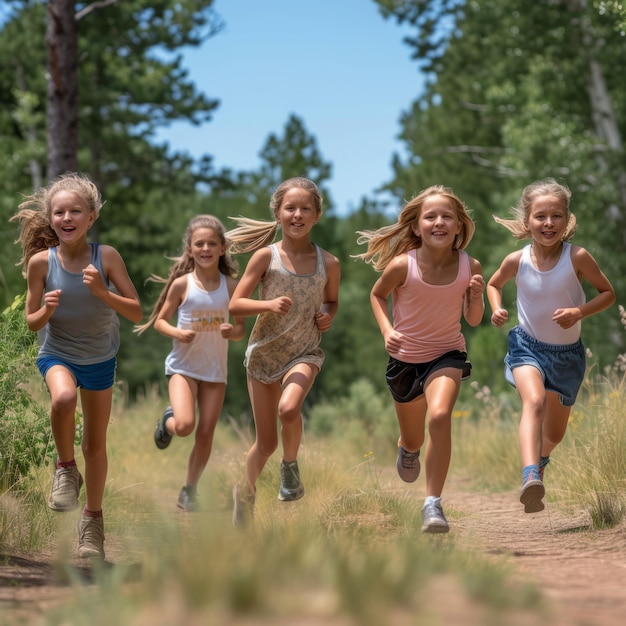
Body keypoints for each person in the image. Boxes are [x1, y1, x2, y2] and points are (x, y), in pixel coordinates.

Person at [10, 173, 142, 559]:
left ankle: (92, 523)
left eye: (75, 211)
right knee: (63, 398)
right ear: (50, 219)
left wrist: (103, 292)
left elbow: (135, 312)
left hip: (100, 357)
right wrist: (46, 310)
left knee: (95, 445)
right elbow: (30, 322)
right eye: (59, 212)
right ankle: (65, 468)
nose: (67, 217)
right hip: (57, 352)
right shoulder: (40, 263)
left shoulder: (108, 257)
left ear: (92, 216)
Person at [355, 185, 484, 533]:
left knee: (440, 416)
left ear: (459, 226)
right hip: (405, 361)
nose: (439, 222)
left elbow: (473, 320)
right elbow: (377, 295)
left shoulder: (469, 265)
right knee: (414, 438)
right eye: (430, 217)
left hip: (447, 355)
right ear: (416, 227)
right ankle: (407, 447)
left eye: (447, 216)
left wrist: (477, 296)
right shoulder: (402, 265)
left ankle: (433, 505)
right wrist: (386, 331)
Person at [487, 178, 615, 514]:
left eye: (556, 216)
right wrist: (497, 307)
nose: (548, 223)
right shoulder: (517, 260)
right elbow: (493, 283)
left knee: (555, 435)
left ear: (566, 219)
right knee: (534, 401)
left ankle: (541, 460)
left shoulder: (578, 257)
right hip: (526, 346)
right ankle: (530, 475)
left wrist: (579, 311)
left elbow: (608, 294)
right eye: (540, 216)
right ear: (527, 219)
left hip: (567, 356)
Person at [227, 177, 340, 528]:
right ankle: (243, 493)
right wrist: (268, 304)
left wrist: (327, 315)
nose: (298, 214)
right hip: (263, 356)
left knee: (289, 407)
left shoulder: (329, 263)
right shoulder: (266, 257)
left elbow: (332, 300)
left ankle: (290, 468)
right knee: (264, 443)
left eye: (306, 208)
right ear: (277, 214)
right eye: (290, 208)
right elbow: (235, 304)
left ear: (317, 215)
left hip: (304, 351)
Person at [135, 215, 245, 512]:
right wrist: (177, 332)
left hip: (214, 371)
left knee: (205, 432)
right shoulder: (182, 285)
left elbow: (241, 329)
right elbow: (159, 322)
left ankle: (189, 489)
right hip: (183, 368)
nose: (206, 248)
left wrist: (231, 332)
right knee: (184, 425)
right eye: (200, 244)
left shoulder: (232, 286)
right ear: (189, 249)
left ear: (222, 248)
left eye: (212, 243)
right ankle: (166, 423)